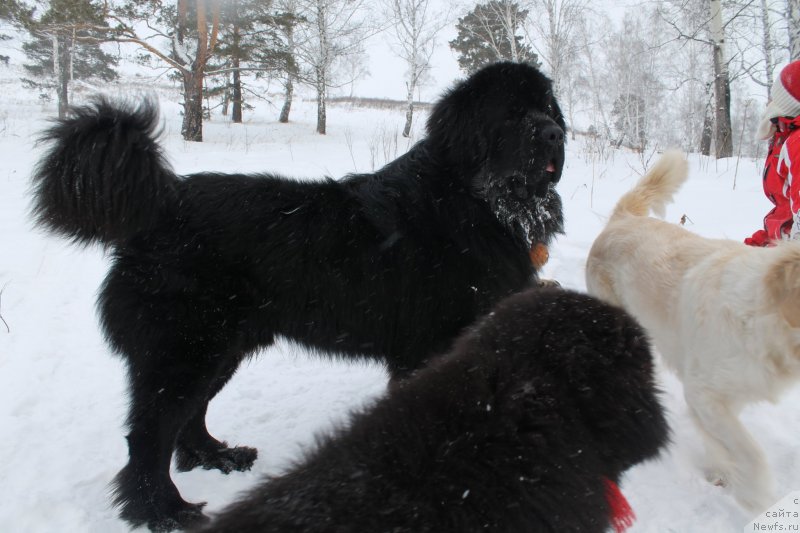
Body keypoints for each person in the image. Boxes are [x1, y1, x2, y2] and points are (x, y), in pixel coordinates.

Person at [746, 60, 800, 246]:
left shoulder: (797, 143)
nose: (769, 102)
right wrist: (760, 243)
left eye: (776, 97)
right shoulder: (785, 136)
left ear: (789, 103)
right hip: (780, 249)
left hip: (787, 261)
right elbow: (786, 211)